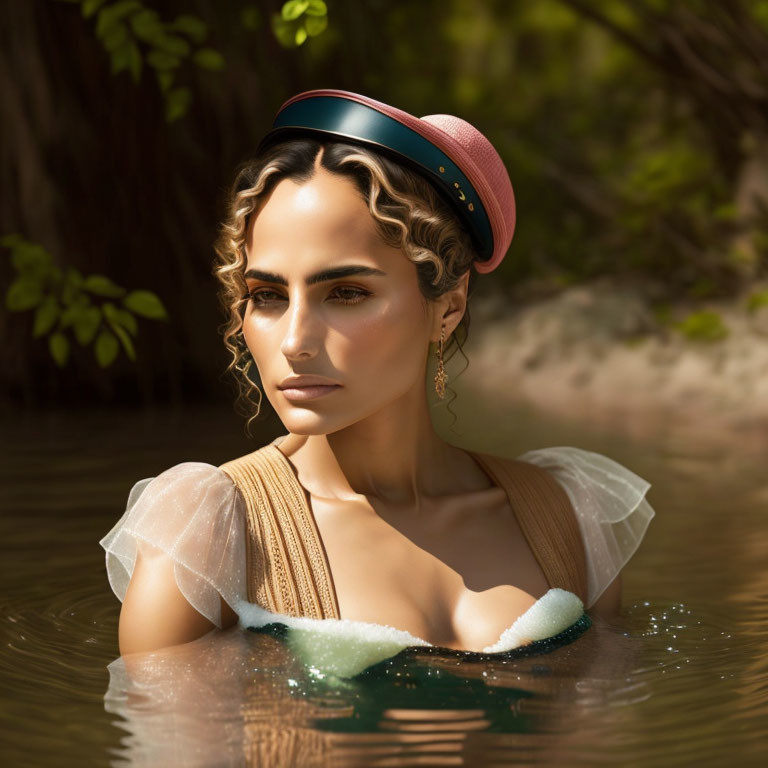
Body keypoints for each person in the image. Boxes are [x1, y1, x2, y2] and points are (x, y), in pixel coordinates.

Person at [100, 89, 655, 665]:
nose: (294, 341)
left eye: (346, 293)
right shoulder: (209, 535)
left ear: (448, 307)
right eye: (266, 296)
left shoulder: (566, 515)